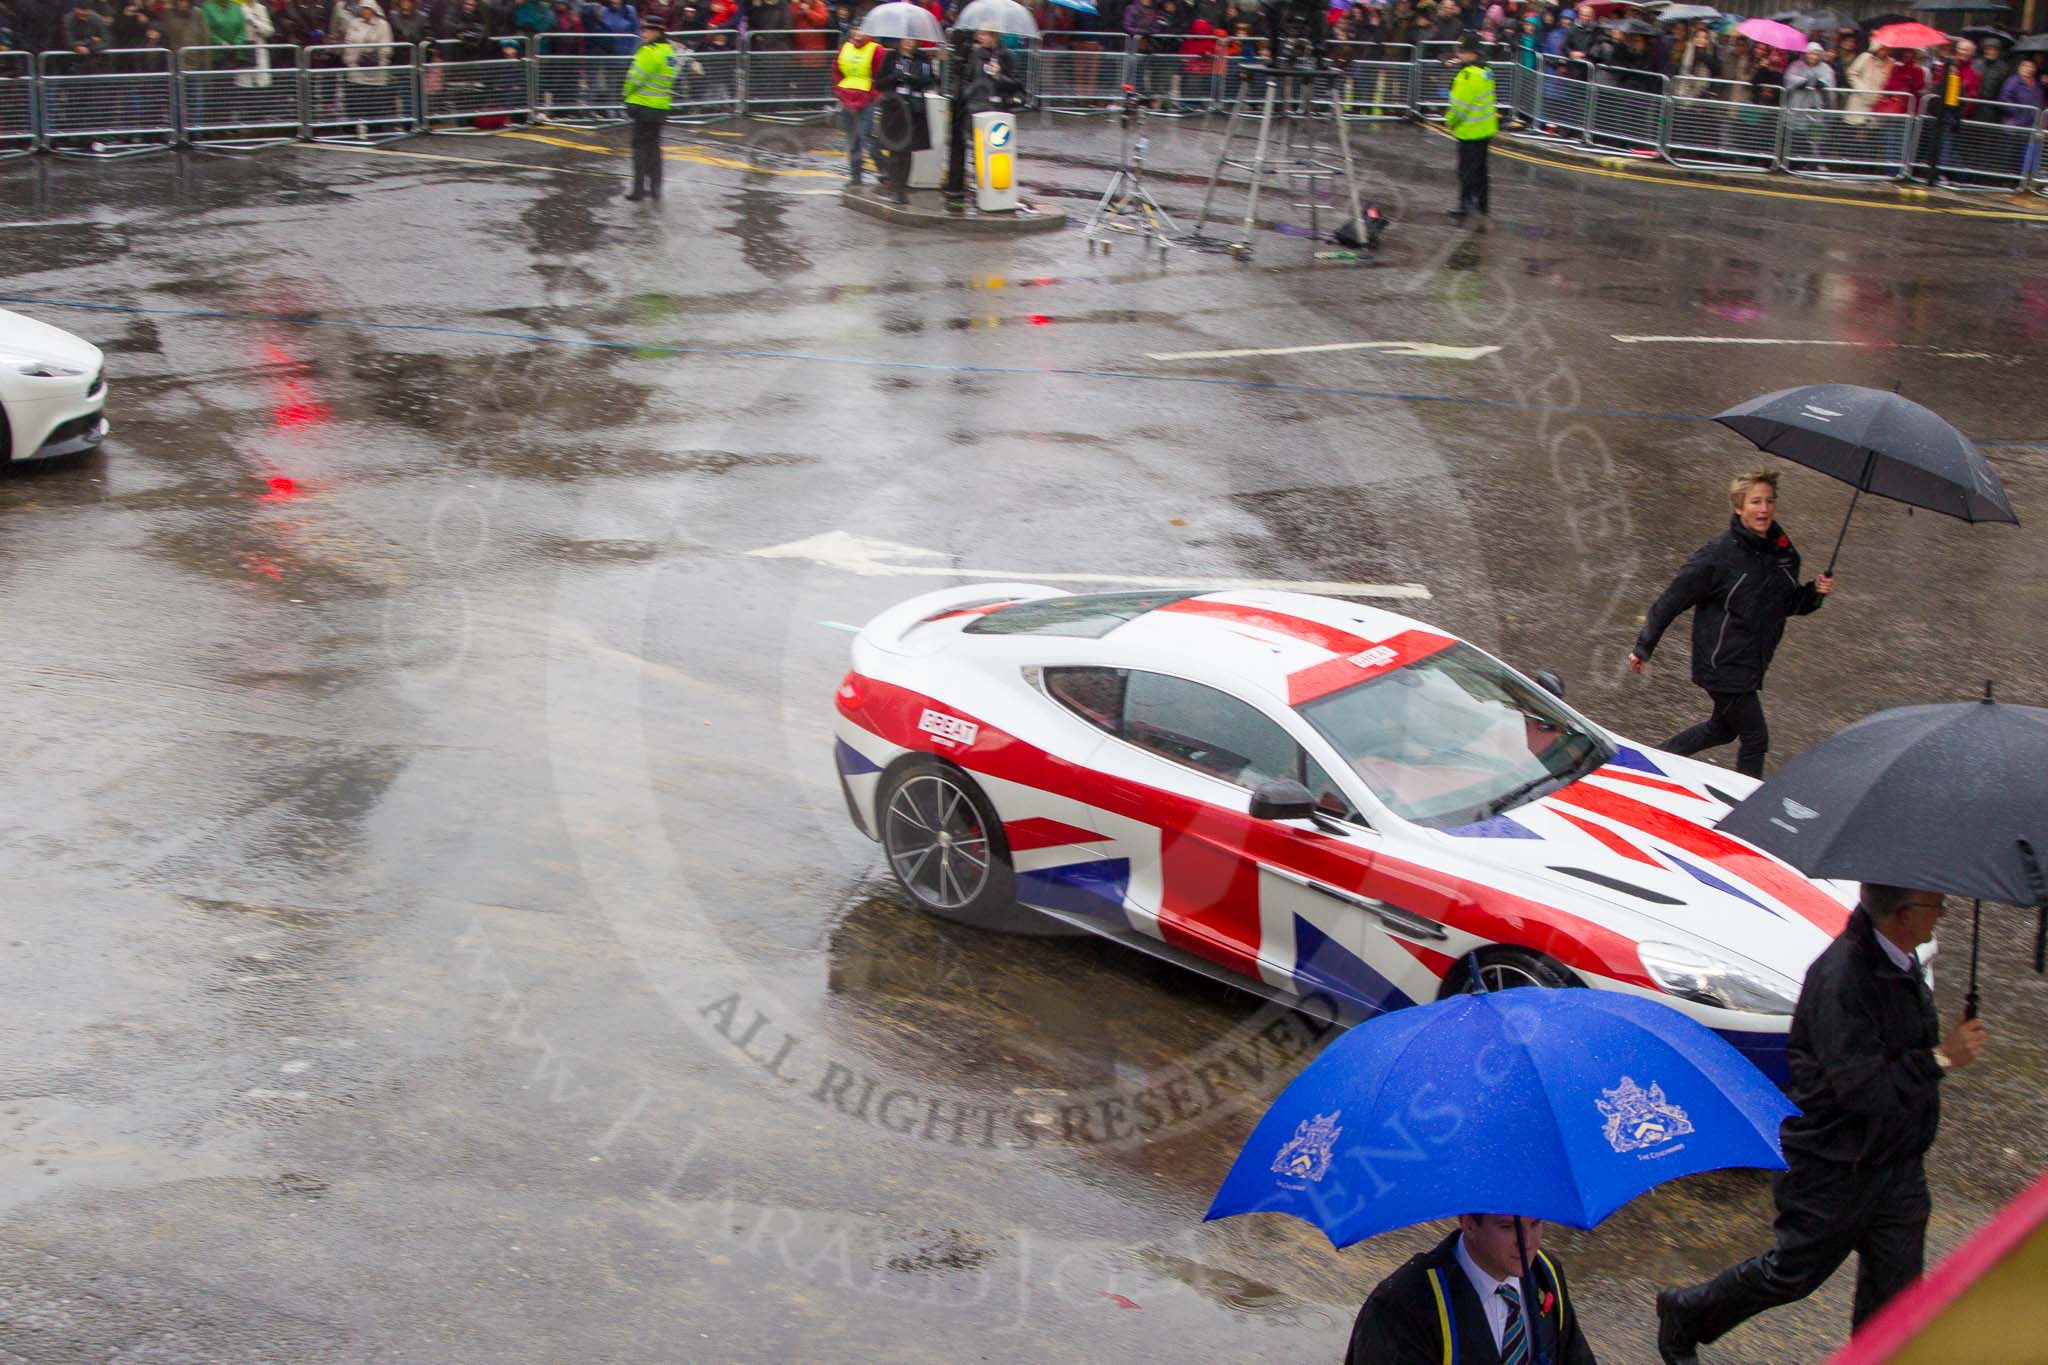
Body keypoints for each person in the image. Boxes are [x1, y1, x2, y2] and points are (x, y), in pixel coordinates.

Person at [1657, 886, 1989, 1364]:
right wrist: (1941, 1058)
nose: (1943, 912)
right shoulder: (1841, 980)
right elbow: (1865, 1091)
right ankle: (1688, 1312)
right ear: (1903, 915)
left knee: (1896, 1303)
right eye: (1935, 904)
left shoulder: (1900, 959)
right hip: (1834, 1164)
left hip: (1897, 1164)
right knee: (1792, 1274)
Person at [1626, 469, 1833, 778]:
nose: (1764, 509)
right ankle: (1746, 807)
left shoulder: (1785, 554)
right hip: (1721, 662)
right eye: (1755, 502)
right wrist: (1644, 647)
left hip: (1752, 662)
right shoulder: (1718, 556)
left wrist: (1814, 593)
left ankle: (1647, 764)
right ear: (1739, 507)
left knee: (1722, 729)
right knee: (1755, 738)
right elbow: (1672, 599)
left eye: (1769, 501)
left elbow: (1786, 605)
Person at [1346, 1213, 1598, 1364]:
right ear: (1468, 1224)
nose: (1527, 1243)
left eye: (1535, 1224)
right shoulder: (1403, 1306)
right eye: (1507, 1228)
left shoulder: (1545, 1273)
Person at [622, 12, 676, 199]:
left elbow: (635, 78)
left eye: (646, 30)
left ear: (655, 32)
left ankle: (638, 190)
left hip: (643, 105)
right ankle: (656, 188)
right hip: (660, 107)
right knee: (654, 148)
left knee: (639, 148)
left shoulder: (649, 52)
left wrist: (626, 95)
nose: (643, 33)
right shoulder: (669, 52)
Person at [873, 34, 933, 204]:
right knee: (895, 150)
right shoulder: (890, 57)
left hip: (914, 111)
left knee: (907, 151)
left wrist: (913, 78)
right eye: (906, 39)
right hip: (894, 110)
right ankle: (896, 188)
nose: (909, 43)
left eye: (912, 39)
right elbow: (879, 83)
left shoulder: (922, 58)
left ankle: (903, 188)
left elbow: (929, 81)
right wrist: (895, 76)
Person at [1445, 34, 1496, 221]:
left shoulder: (1467, 75)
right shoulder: (1486, 70)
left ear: (1472, 53)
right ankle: (1483, 205)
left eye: (1462, 51)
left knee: (1465, 171)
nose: (1459, 55)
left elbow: (1459, 106)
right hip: (1485, 129)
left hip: (1470, 131)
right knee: (1481, 170)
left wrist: (1449, 120)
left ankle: (1464, 205)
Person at [832, 18, 879, 186]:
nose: (857, 32)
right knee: (852, 138)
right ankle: (855, 175)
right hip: (847, 98)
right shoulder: (846, 46)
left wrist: (873, 93)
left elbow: (879, 74)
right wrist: (838, 89)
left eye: (861, 29)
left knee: (863, 135)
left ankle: (883, 168)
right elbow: (837, 68)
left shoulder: (876, 49)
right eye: (855, 29)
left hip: (866, 99)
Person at [2000, 55, 2043, 181]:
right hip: (2014, 125)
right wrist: (2017, 112)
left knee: (2024, 155)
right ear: (2020, 67)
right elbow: (2004, 98)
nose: (2029, 69)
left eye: (2032, 66)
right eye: (2026, 66)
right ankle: (2007, 180)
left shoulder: (2038, 84)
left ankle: (2020, 181)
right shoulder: (2013, 81)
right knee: (2010, 155)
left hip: (2030, 126)